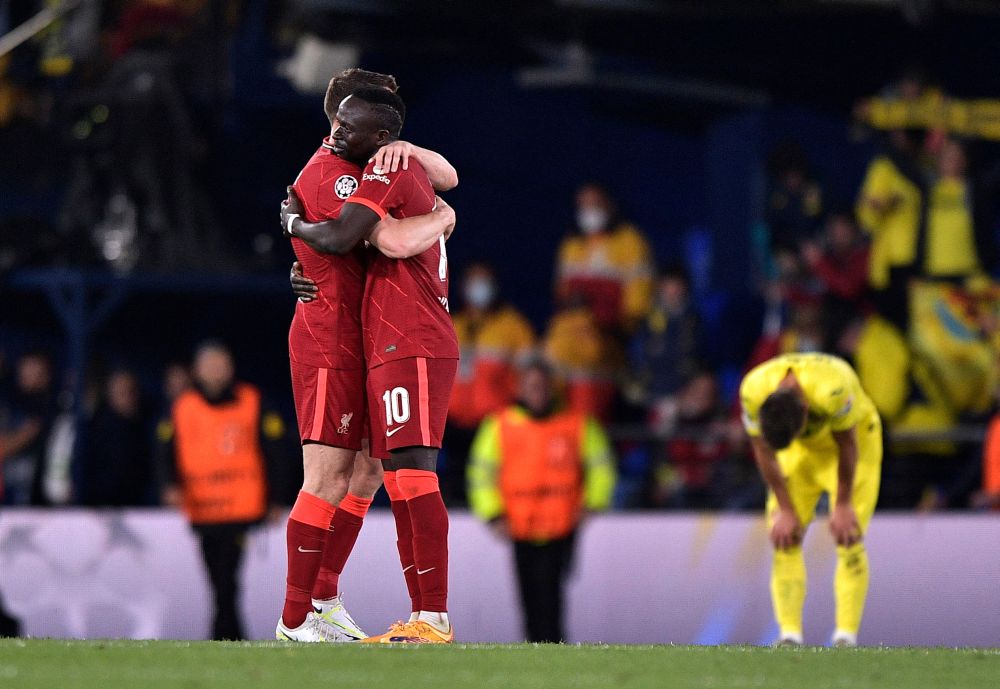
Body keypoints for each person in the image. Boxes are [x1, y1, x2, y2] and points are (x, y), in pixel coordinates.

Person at [275, 69, 457, 643]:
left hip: (378, 339)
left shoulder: (384, 165)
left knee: (370, 472)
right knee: (331, 476)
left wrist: (413, 166)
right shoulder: (334, 171)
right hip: (332, 339)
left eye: (347, 126)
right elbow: (363, 238)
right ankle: (296, 616)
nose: (335, 134)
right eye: (336, 121)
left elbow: (447, 176)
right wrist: (295, 225)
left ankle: (327, 597)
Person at [467, 360, 615, 642]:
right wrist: (493, 514)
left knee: (553, 596)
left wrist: (592, 503)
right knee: (529, 599)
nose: (538, 392)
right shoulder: (500, 425)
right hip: (519, 525)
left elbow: (601, 466)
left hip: (562, 524)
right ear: (520, 388)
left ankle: (552, 652)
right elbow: (480, 473)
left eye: (542, 385)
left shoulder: (576, 423)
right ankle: (537, 652)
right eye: (532, 386)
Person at [740, 352, 882, 647]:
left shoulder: (833, 388)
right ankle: (789, 634)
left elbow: (848, 445)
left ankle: (846, 636)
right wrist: (786, 509)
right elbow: (763, 451)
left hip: (855, 444)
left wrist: (842, 504)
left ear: (805, 410)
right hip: (800, 454)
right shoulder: (753, 389)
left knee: (848, 537)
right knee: (783, 536)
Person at [159, 341, 288, 641]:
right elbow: (164, 451)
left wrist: (276, 499)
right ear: (197, 370)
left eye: (221, 364)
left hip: (241, 507)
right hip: (202, 506)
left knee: (227, 575)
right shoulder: (183, 407)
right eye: (210, 365)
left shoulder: (253, 401)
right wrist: (169, 485)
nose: (216, 372)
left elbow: (276, 453)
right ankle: (229, 634)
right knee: (218, 576)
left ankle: (223, 634)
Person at [445, 262, 535, 506]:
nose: (479, 288)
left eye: (485, 282)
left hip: (493, 424)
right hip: (451, 426)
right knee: (452, 493)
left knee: (489, 486)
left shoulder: (514, 328)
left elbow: (528, 379)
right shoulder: (453, 323)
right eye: (474, 281)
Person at [554, 183, 654, 334]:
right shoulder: (572, 244)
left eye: (594, 204)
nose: (589, 211)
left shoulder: (629, 239)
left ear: (609, 205)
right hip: (577, 326)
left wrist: (628, 323)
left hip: (615, 328)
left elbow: (640, 283)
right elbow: (563, 287)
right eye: (583, 205)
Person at [80, 369, 154, 506]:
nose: (128, 397)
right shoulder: (97, 428)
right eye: (122, 392)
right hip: (100, 506)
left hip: (137, 505)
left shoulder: (145, 427)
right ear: (110, 395)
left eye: (131, 391)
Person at [0, 351, 56, 506]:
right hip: (7, 495)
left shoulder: (54, 408)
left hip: (40, 497)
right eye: (28, 372)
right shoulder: (7, 402)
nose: (34, 379)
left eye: (39, 374)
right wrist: (27, 433)